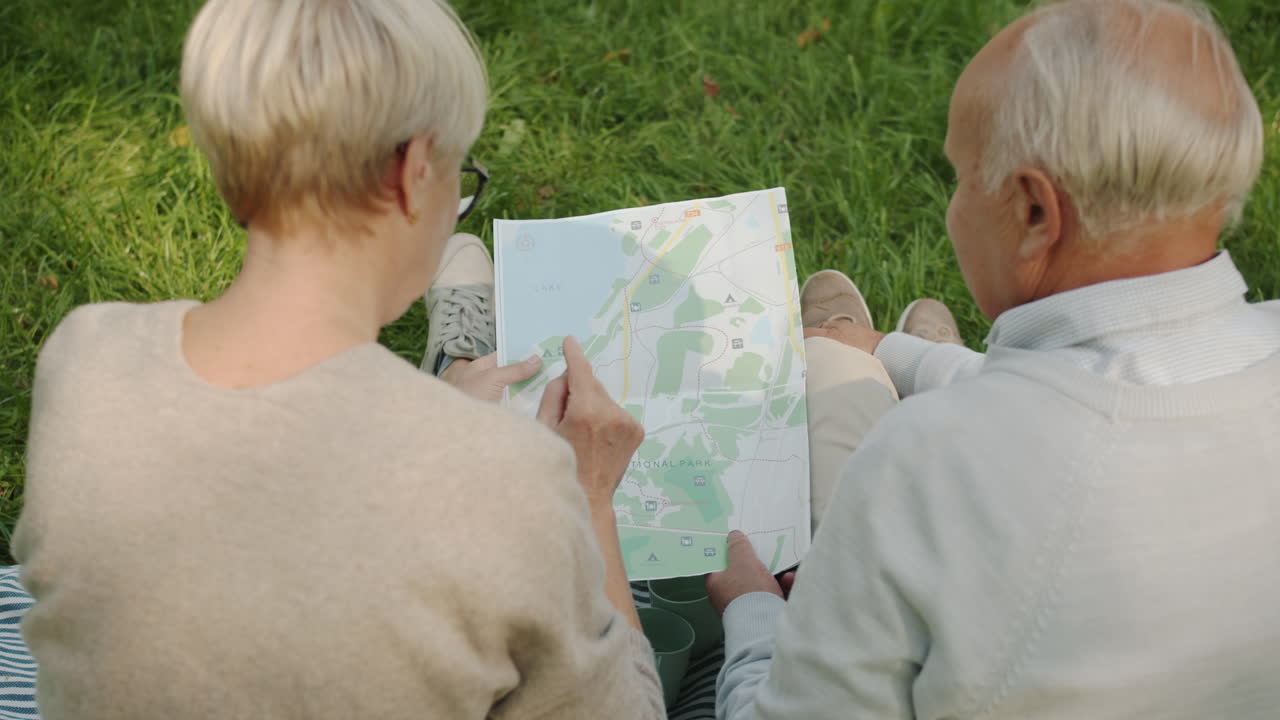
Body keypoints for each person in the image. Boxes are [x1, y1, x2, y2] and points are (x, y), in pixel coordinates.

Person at [11, 1, 664, 718]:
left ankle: (432, 380)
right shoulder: (512, 479)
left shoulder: (85, 356)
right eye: (460, 174)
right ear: (414, 171)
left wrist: (444, 433)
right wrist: (590, 497)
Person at [707, 0, 1280, 718]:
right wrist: (898, 352)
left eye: (959, 176)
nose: (952, 206)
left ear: (1035, 211)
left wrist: (754, 614)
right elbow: (1123, 395)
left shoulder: (928, 462)